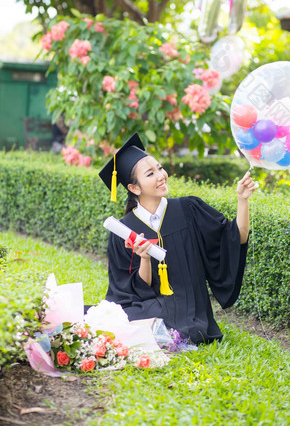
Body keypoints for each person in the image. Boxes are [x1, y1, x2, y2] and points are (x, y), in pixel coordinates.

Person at [99, 133, 257, 345]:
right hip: (148, 305)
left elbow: (235, 237)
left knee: (189, 330)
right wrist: (144, 258)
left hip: (188, 307)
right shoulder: (124, 231)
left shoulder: (189, 209)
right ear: (134, 188)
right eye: (150, 173)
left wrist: (242, 200)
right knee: (118, 320)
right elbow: (131, 292)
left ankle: (156, 329)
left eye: (160, 168)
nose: (161, 175)